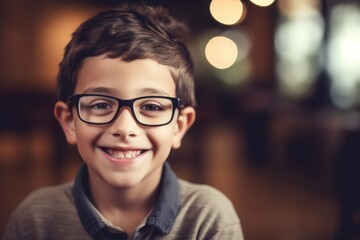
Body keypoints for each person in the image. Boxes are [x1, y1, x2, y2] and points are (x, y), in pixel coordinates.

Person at [3, 2, 244, 239]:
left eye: (151, 106)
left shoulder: (208, 218)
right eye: (100, 105)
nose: (124, 128)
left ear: (179, 126)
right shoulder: (35, 220)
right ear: (69, 122)